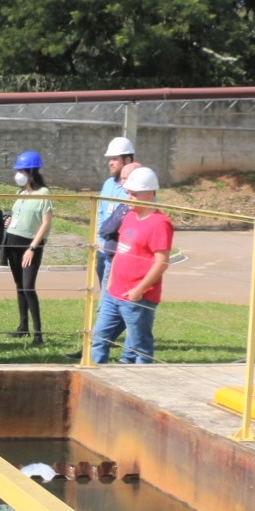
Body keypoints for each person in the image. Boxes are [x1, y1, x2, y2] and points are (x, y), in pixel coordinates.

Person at [91, 166, 172, 364]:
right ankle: (97, 380)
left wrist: (140, 289)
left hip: (137, 297)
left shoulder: (160, 223)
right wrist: (110, 282)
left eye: (133, 194)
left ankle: (140, 385)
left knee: (139, 347)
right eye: (127, 193)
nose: (128, 197)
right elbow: (120, 250)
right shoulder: (128, 216)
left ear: (149, 194)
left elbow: (161, 262)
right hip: (114, 292)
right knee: (98, 338)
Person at [3, 151, 52, 345]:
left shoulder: (44, 193)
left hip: (29, 244)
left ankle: (38, 334)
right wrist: (8, 222)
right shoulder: (20, 193)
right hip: (13, 242)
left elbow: (45, 223)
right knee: (19, 286)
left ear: (31, 172)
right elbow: (17, 216)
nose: (18, 174)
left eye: (21, 170)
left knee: (28, 286)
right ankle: (23, 327)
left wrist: (32, 248)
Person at [96, 137, 134, 287]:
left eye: (114, 159)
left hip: (121, 255)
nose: (110, 163)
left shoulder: (137, 190)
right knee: (105, 296)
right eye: (109, 159)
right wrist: (98, 240)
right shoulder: (107, 184)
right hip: (102, 251)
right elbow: (100, 212)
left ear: (127, 160)